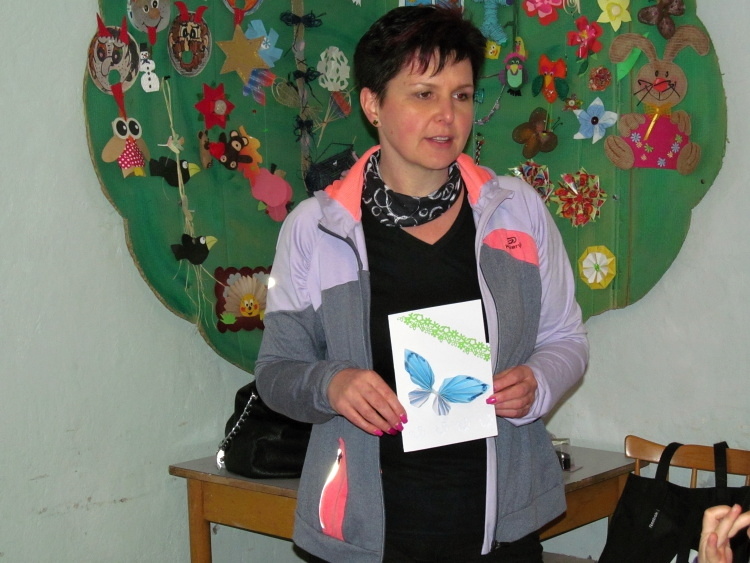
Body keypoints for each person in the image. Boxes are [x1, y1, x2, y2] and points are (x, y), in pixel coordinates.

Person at [255, 5, 589, 562]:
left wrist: (539, 381)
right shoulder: (316, 228)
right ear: (372, 104)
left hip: (499, 527)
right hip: (367, 533)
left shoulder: (515, 210)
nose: (447, 116)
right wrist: (332, 385)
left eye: (462, 95)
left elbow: (566, 339)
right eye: (423, 94)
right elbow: (276, 370)